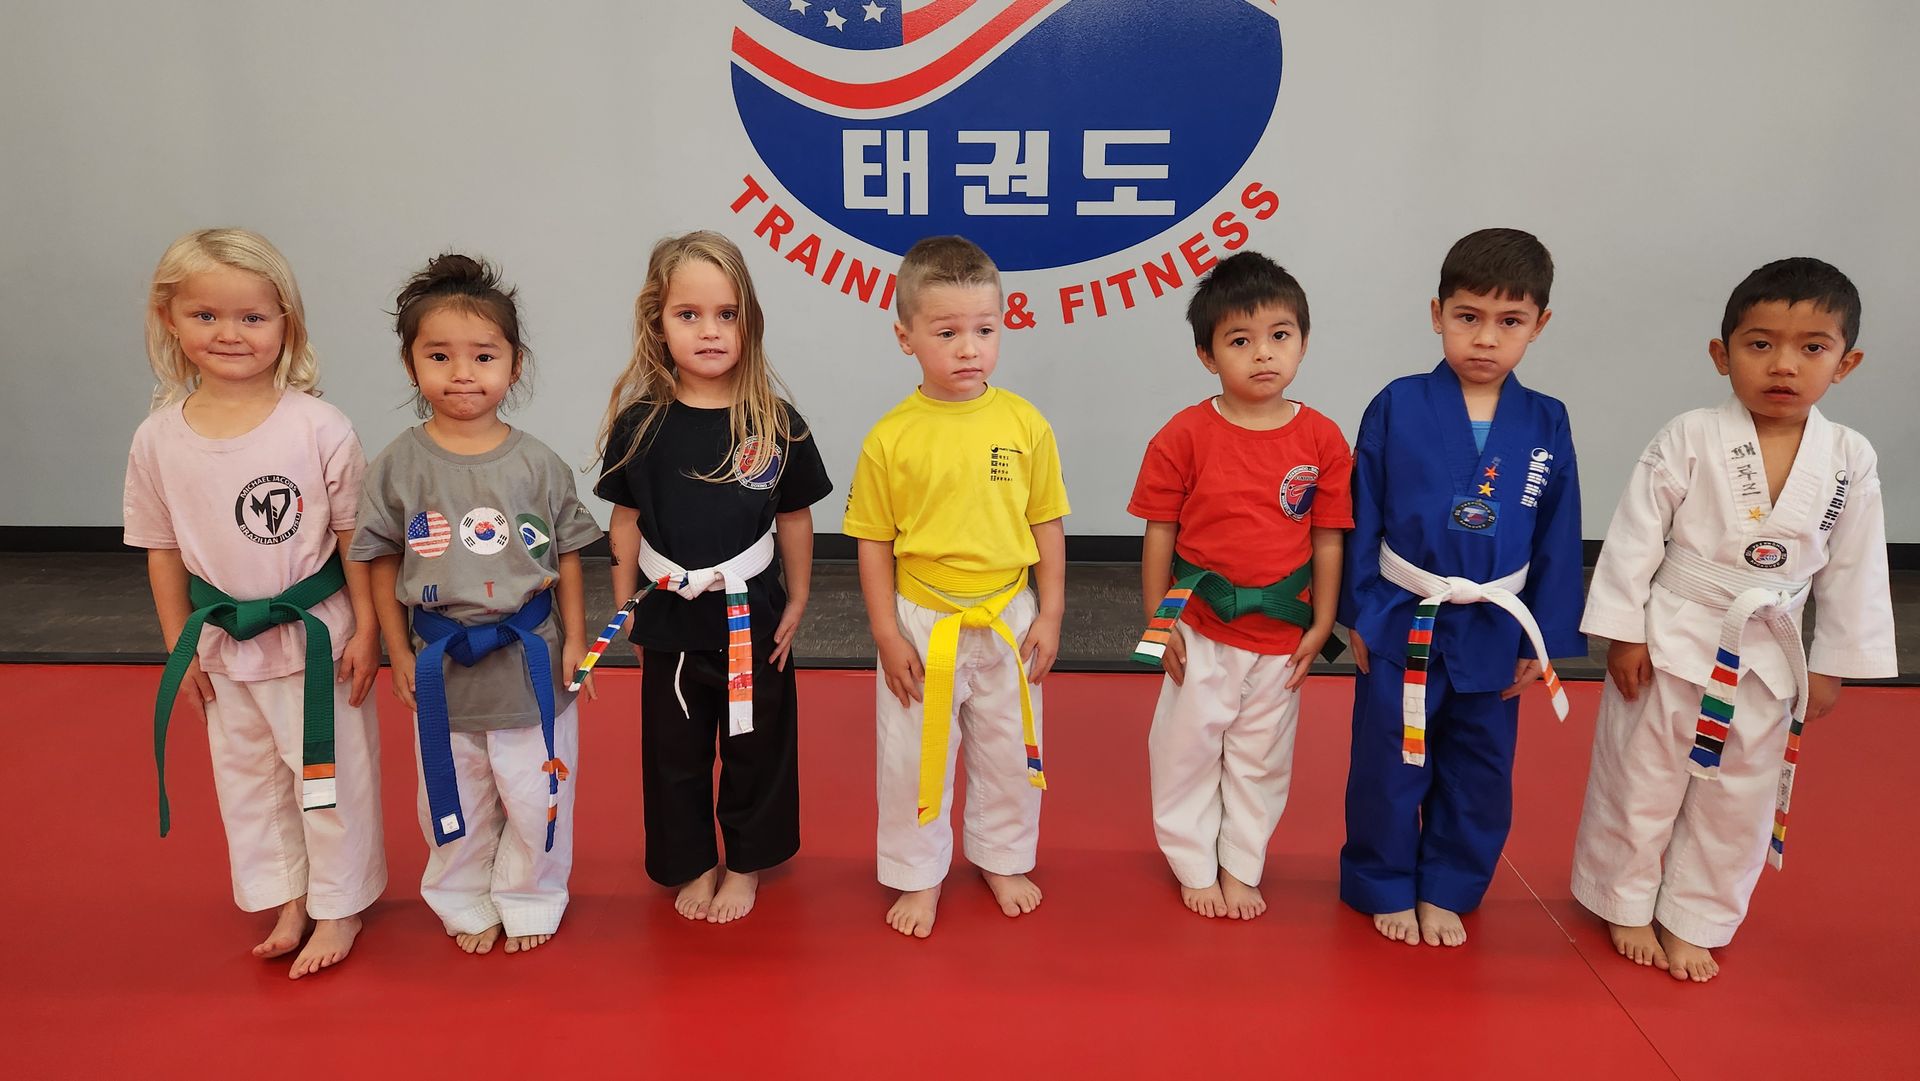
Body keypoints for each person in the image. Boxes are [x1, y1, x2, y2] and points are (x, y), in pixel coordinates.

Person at [1571, 257, 1896, 982]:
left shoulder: (1850, 458)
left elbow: (1854, 568)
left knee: (1738, 795)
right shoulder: (1688, 435)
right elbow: (1633, 535)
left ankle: (1697, 914)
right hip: (1673, 636)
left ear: (1846, 363)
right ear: (1722, 354)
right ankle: (1622, 899)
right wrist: (1622, 630)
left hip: (1769, 653)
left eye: (1813, 347)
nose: (1784, 364)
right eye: (1760, 343)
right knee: (1642, 774)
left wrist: (1834, 658)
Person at [129, 228, 386, 979]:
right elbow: (162, 548)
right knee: (247, 778)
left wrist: (367, 628)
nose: (230, 334)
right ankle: (288, 895)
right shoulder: (157, 440)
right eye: (206, 315)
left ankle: (340, 902)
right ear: (169, 321)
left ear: (287, 325)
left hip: (317, 642)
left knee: (327, 775)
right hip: (222, 646)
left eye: (252, 317)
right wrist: (179, 643)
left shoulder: (319, 426)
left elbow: (354, 539)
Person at [1339, 228, 1585, 947]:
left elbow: (1558, 536)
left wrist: (1541, 637)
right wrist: (1359, 612)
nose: (1485, 338)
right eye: (1467, 316)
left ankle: (1448, 884)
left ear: (1539, 325)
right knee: (1390, 760)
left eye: (1510, 322)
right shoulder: (1397, 404)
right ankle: (1383, 880)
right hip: (1401, 612)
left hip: (1494, 622)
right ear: (1436, 312)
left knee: (1479, 766)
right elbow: (1362, 513)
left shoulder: (1547, 420)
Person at [353, 254, 601, 955]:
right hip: (441, 661)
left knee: (535, 791)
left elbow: (571, 557)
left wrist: (576, 641)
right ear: (412, 366)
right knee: (449, 792)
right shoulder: (398, 465)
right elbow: (379, 555)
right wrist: (397, 651)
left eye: (483, 355)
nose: (463, 373)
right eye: (440, 355)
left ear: (514, 365)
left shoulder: (539, 463)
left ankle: (531, 893)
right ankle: (462, 897)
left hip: (528, 657)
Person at [593, 231, 832, 924]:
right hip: (667, 612)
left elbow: (793, 520)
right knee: (675, 750)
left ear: (749, 322)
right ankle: (690, 858)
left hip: (750, 611)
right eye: (688, 315)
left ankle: (747, 863)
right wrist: (623, 608)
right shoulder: (642, 424)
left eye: (726, 314)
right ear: (657, 324)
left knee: (755, 744)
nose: (709, 330)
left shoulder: (776, 424)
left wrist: (800, 599)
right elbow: (625, 523)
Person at [843, 235, 1070, 938]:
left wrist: (1053, 611)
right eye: (947, 332)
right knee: (915, 753)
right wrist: (885, 630)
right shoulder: (891, 437)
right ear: (905, 336)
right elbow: (873, 543)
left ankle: (1002, 855)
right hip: (922, 615)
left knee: (1009, 748)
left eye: (985, 330)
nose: (969, 348)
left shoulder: (1024, 423)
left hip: (1009, 608)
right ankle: (918, 874)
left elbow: (1047, 525)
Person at [1127, 251, 1351, 920]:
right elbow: (1160, 534)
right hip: (1200, 625)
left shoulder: (1322, 438)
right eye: (1240, 340)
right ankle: (1192, 859)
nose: (1263, 354)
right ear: (1207, 354)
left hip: (1282, 632)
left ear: (1303, 342)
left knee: (1260, 757)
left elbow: (1329, 536)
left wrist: (1323, 623)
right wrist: (1157, 622)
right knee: (1186, 748)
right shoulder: (1185, 434)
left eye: (1280, 336)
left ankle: (1241, 863)